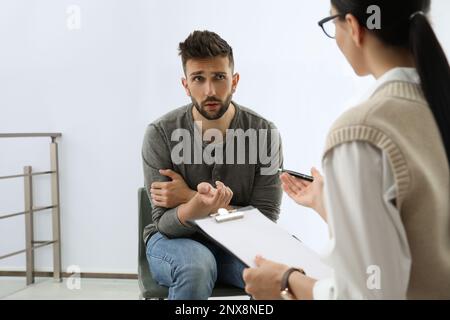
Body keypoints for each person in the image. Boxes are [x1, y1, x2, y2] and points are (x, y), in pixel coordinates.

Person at [243, 0, 450, 300]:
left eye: (332, 23)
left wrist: (286, 282)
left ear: (353, 27)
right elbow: (425, 232)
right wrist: (332, 206)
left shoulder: (360, 132)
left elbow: (370, 293)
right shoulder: (435, 106)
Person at [142, 30, 283, 300]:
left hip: (238, 244)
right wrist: (209, 206)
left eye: (219, 77)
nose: (210, 91)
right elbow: (164, 224)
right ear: (186, 85)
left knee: (283, 269)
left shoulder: (265, 134)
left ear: (234, 81)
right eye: (198, 79)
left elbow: (265, 221)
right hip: (175, 242)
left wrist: (191, 199)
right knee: (197, 265)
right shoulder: (160, 133)